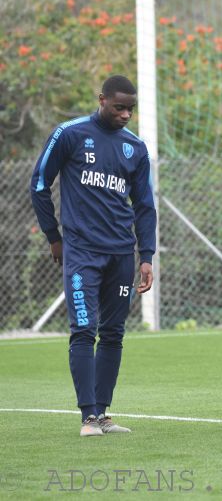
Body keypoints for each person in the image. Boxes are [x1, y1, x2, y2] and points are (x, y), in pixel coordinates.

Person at [30, 75, 157, 436]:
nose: (126, 115)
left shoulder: (135, 147)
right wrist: (54, 237)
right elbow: (40, 184)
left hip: (121, 254)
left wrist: (145, 255)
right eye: (119, 107)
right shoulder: (69, 134)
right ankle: (87, 416)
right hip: (82, 252)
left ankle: (103, 413)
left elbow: (145, 206)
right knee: (84, 330)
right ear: (101, 100)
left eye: (131, 109)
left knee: (114, 333)